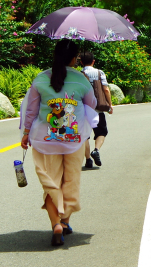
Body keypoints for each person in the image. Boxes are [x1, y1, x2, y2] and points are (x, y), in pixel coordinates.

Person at [19, 40, 98, 246]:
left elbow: (31, 110)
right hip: (74, 140)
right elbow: (93, 105)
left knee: (51, 181)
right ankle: (65, 221)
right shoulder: (81, 80)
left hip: (46, 141)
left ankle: (56, 224)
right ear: (74, 59)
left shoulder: (41, 79)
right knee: (70, 180)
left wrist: (26, 133)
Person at [79, 50, 113, 170]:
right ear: (93, 61)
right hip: (98, 109)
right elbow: (106, 89)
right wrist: (110, 104)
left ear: (81, 62)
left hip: (83, 110)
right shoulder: (99, 72)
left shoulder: (79, 74)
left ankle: (88, 160)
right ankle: (96, 150)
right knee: (102, 132)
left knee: (85, 136)